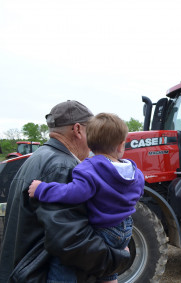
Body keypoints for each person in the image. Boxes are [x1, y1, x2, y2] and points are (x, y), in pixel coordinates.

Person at [0, 101, 130, 283]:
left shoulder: (36, 158)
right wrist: (118, 257)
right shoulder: (63, 167)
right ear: (77, 130)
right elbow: (71, 242)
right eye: (91, 131)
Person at [28, 112, 144, 283]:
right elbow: (138, 193)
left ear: (89, 146)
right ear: (121, 146)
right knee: (109, 271)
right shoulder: (135, 171)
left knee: (75, 261)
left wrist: (42, 189)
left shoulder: (90, 167)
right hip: (126, 228)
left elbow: (74, 193)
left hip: (104, 229)